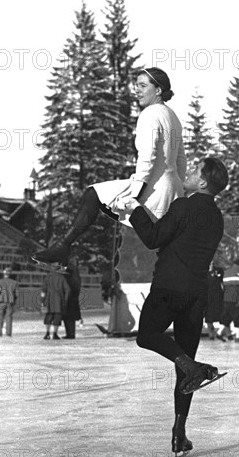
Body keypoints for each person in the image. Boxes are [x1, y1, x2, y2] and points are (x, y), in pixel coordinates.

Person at [123, 157, 229, 457]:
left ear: (204, 183)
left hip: (169, 287)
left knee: (147, 335)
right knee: (185, 369)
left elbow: (155, 238)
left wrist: (135, 211)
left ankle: (192, 366)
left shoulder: (185, 205)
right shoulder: (217, 216)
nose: (190, 172)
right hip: (197, 295)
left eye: (195, 171)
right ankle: (179, 434)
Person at [32, 67, 187, 270]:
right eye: (136, 86)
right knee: (157, 241)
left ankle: (63, 247)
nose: (137, 90)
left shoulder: (149, 114)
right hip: (172, 189)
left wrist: (136, 194)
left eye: (142, 86)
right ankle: (63, 250)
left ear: (158, 90)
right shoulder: (172, 116)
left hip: (152, 188)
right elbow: (181, 160)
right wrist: (179, 192)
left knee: (93, 194)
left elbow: (147, 157)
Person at [217, 259, 239, 342]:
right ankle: (238, 337)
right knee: (238, 318)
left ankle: (219, 332)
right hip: (234, 300)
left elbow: (223, 286)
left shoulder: (226, 272)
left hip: (226, 299)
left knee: (226, 318)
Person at [41, 271, 71, 340]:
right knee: (57, 317)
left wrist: (42, 300)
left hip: (48, 299)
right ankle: (55, 334)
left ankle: (47, 333)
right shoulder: (62, 277)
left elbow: (43, 290)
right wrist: (65, 299)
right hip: (59, 300)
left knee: (48, 316)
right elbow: (68, 290)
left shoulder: (47, 277)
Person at [0, 267, 19, 336]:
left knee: (0, 317)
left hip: (1, 302)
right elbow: (17, 294)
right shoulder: (14, 283)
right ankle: (8, 333)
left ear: (4, 273)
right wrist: (13, 300)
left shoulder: (0, 281)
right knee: (9, 318)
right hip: (10, 302)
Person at [62, 258, 83, 339]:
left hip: (69, 295)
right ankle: (71, 333)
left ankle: (70, 333)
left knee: (67, 316)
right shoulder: (75, 271)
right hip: (74, 295)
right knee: (70, 317)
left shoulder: (68, 270)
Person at [205, 262, 224, 340]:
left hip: (218, 298)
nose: (210, 264)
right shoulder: (203, 272)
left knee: (222, 316)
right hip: (208, 298)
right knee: (209, 318)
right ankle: (211, 335)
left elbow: (222, 281)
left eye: (211, 263)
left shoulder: (218, 271)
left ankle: (226, 333)